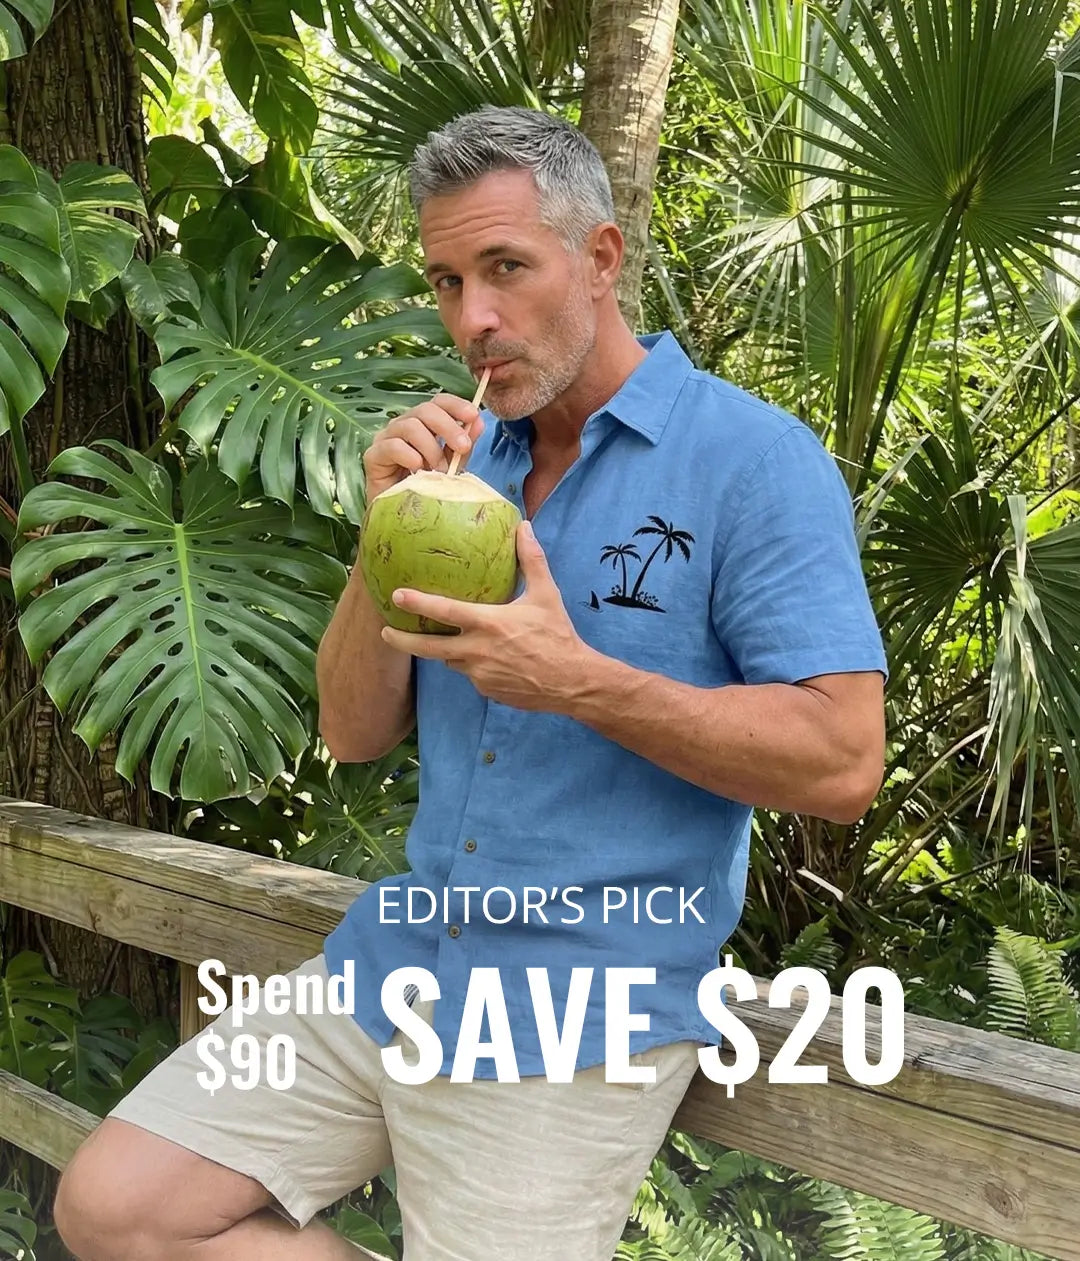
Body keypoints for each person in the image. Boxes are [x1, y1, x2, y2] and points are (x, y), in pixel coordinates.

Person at [53, 105, 887, 1261]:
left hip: (573, 1012)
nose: (472, 318)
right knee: (114, 1209)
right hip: (395, 964)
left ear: (601, 259)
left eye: (505, 268)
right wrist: (379, 534)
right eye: (446, 280)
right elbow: (350, 731)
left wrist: (581, 681)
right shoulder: (461, 461)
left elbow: (844, 760)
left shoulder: (753, 463)